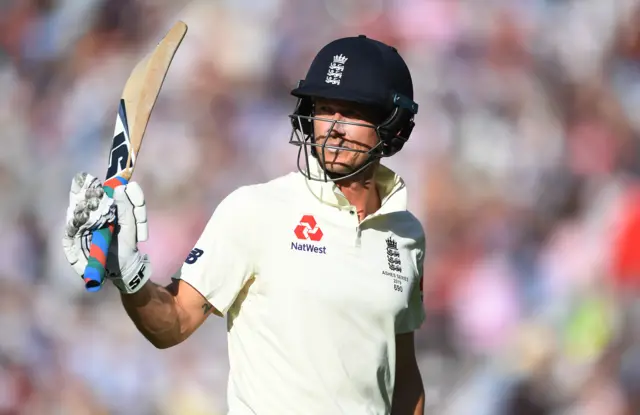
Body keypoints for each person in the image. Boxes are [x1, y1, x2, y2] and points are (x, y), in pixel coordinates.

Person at [62, 35, 426, 415]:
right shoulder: (255, 210)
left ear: (393, 124)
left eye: (350, 113)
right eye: (323, 109)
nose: (331, 127)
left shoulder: (405, 235)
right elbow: (174, 322)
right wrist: (129, 276)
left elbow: (402, 376)